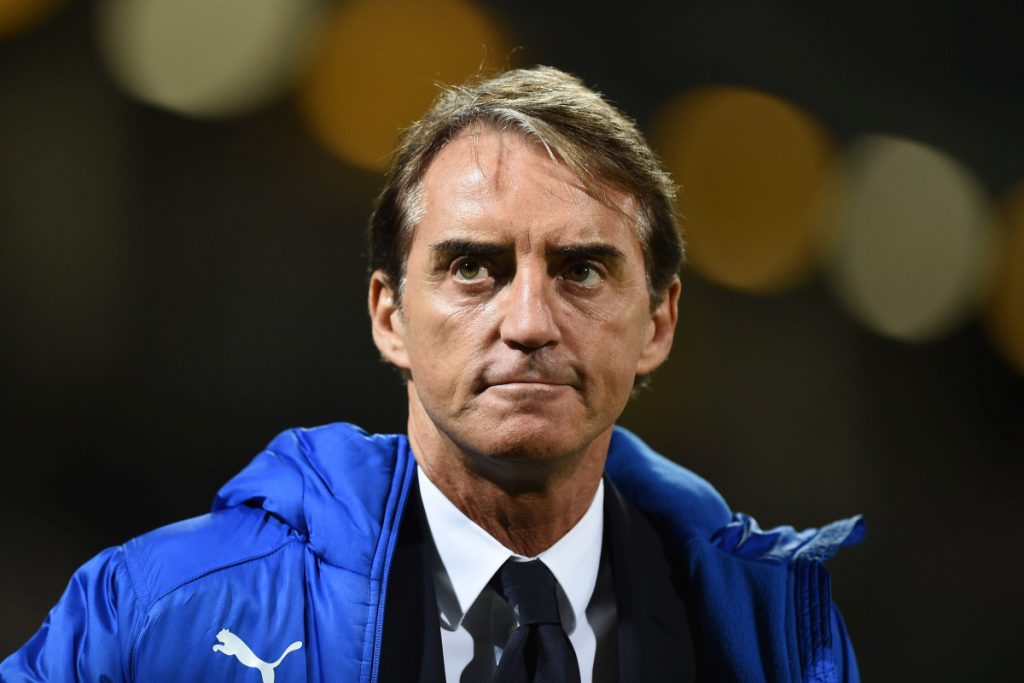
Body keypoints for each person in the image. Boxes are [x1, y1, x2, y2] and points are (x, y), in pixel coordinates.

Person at [1, 66, 863, 682]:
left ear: (659, 323)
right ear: (390, 315)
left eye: (582, 271)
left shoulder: (781, 644)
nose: (529, 323)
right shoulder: (163, 616)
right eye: (474, 268)